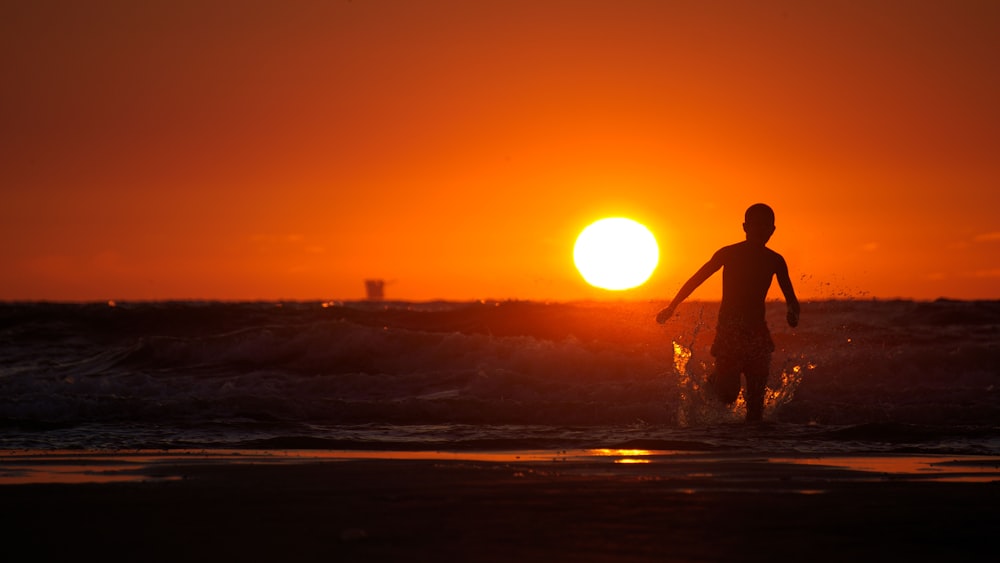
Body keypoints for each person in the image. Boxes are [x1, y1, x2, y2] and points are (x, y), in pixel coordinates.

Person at [656, 203, 800, 422]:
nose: (761, 229)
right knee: (728, 395)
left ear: (773, 230)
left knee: (755, 407)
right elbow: (697, 279)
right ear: (745, 226)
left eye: (766, 225)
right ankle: (708, 388)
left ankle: (752, 448)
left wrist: (793, 313)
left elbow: (791, 298)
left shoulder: (775, 260)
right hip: (730, 330)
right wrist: (672, 306)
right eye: (756, 225)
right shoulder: (729, 253)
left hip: (758, 334)